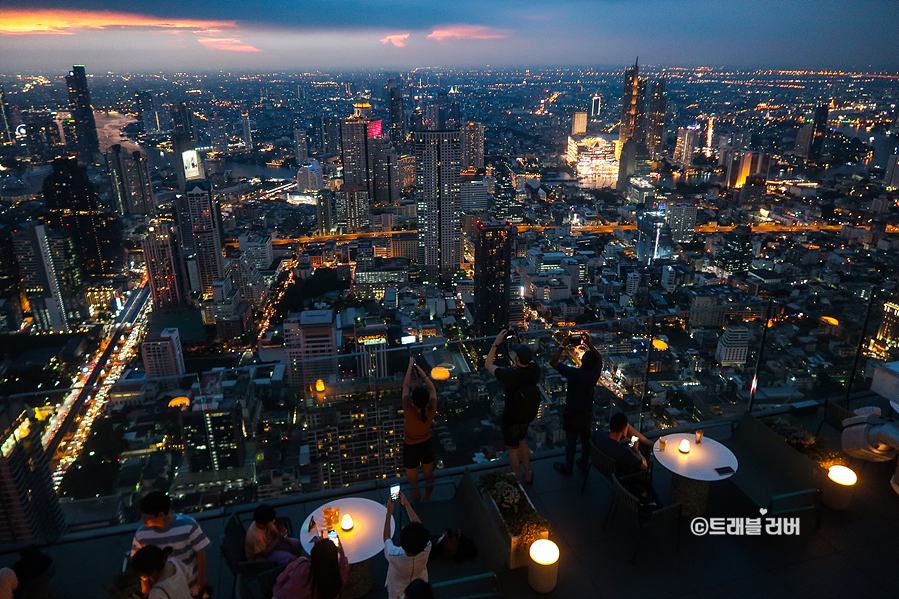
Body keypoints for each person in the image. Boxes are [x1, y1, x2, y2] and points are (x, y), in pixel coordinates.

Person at [485, 327, 542, 485]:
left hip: (512, 417)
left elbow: (488, 364)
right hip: (527, 415)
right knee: (523, 442)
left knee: (513, 449)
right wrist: (519, 342)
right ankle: (528, 474)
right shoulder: (535, 370)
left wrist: (496, 343)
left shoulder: (510, 375)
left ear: (516, 358)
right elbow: (528, 358)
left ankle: (515, 480)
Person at [131, 491, 210, 596]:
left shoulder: (188, 525)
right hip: (164, 592)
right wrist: (146, 588)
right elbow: (142, 565)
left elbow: (200, 552)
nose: (143, 520)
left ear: (161, 514)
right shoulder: (141, 534)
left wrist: (201, 577)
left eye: (146, 517)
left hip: (190, 586)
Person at [550, 333, 603, 475]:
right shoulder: (595, 373)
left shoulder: (574, 374)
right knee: (586, 441)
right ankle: (584, 464)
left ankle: (568, 467)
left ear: (582, 362)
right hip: (587, 412)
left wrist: (563, 344)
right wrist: (589, 343)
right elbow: (599, 358)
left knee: (571, 442)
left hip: (572, 412)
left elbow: (553, 363)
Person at [402, 357, 438, 501]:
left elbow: (405, 386)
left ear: (413, 400)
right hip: (426, 446)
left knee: (413, 481)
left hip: (410, 448)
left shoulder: (408, 409)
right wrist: (421, 371)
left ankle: (417, 504)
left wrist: (410, 367)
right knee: (429, 476)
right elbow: (433, 389)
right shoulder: (430, 410)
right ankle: (427, 498)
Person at [383, 491, 431, 599]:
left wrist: (389, 513)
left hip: (397, 589)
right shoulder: (427, 546)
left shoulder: (393, 554)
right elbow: (419, 528)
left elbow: (386, 538)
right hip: (420, 584)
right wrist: (407, 504)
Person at [272, 535, 349, 599]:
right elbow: (343, 573)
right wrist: (342, 554)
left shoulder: (301, 564)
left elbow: (281, 579)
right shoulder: (333, 584)